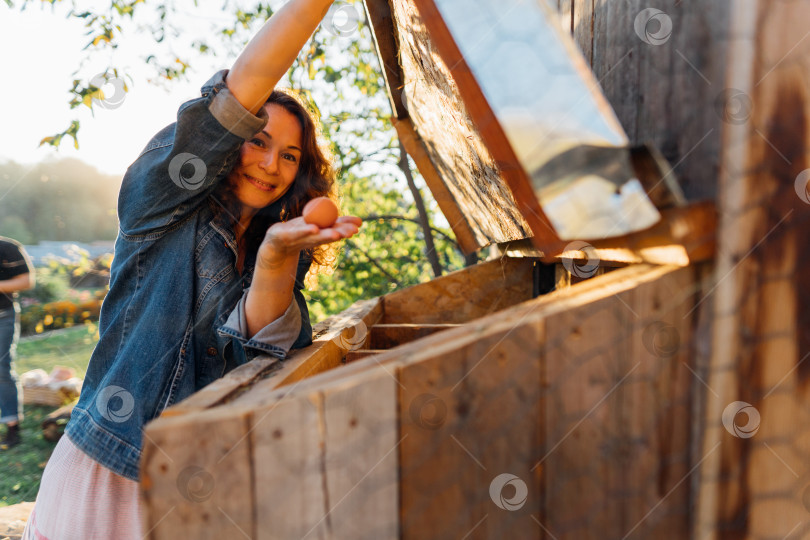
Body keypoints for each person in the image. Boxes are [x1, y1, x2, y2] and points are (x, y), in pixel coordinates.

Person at [23, 0, 360, 537]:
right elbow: (235, 97)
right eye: (258, 141)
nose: (272, 164)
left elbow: (259, 343)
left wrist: (276, 253)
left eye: (291, 155)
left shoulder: (273, 246)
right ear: (229, 147)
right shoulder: (160, 203)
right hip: (112, 472)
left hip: (196, 487)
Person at [0, 236, 35, 450]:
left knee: (1, 369)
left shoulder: (7, 248)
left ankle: (13, 427)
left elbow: (26, 281)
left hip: (3, 317)